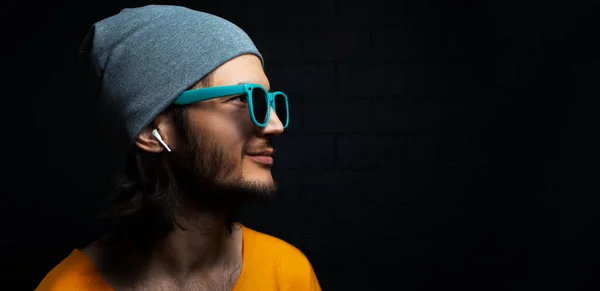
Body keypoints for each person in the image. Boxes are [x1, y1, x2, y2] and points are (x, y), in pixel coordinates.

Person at [35, 4, 321, 291]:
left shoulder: (288, 274)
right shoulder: (66, 287)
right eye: (242, 100)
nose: (275, 125)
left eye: (269, 101)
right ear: (152, 131)